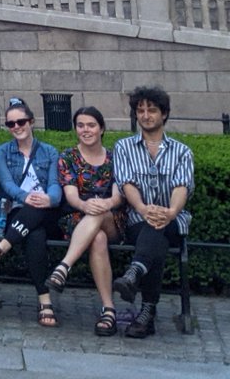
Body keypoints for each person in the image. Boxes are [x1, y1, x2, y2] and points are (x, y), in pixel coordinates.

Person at [111, 84, 194, 340]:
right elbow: (126, 183)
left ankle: (134, 274)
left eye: (152, 110)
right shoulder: (124, 147)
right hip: (137, 219)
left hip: (173, 220)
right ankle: (146, 313)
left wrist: (170, 211)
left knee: (158, 230)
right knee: (153, 235)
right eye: (141, 110)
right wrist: (142, 208)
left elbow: (182, 186)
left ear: (164, 114)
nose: (146, 116)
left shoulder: (182, 152)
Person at [0, 97, 63, 328]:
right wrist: (26, 197)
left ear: (31, 122)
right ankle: (44, 301)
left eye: (21, 122)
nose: (16, 127)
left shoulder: (49, 151)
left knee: (37, 213)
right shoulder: (3, 152)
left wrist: (49, 199)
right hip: (19, 212)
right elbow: (7, 184)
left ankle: (0, 248)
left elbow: (55, 185)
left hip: (47, 212)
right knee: (34, 234)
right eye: (11, 124)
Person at [48, 105, 127, 337]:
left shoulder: (115, 157)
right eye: (80, 125)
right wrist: (85, 205)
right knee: (98, 239)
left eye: (91, 125)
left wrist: (106, 204)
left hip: (112, 218)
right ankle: (108, 310)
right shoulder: (68, 157)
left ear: (101, 128)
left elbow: (119, 195)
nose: (86, 130)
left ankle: (64, 266)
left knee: (99, 214)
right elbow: (71, 196)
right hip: (77, 218)